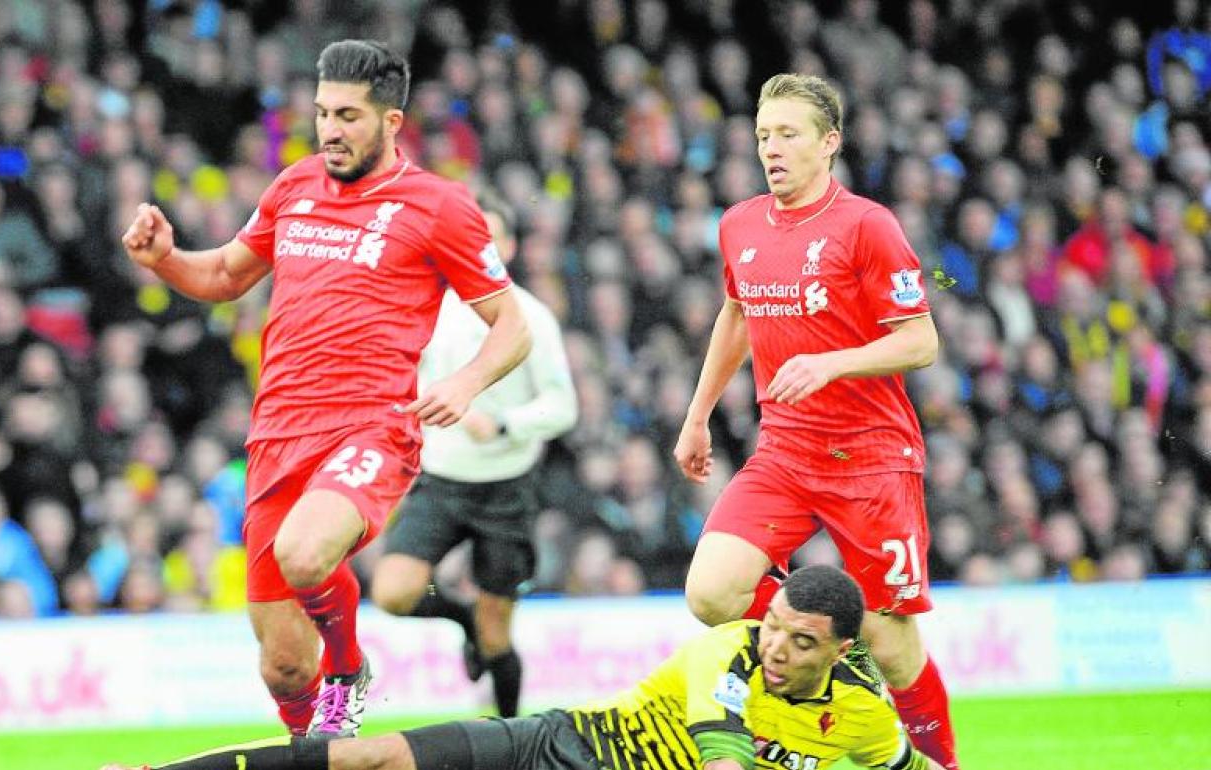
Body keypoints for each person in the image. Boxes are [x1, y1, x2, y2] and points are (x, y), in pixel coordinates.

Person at [120, 40, 532, 739]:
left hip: (370, 428)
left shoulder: (441, 207)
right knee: (282, 668)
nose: (330, 130)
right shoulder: (294, 187)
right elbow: (223, 276)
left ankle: (348, 669)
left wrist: (464, 383)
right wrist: (164, 259)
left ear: (393, 121)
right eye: (321, 114)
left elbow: (512, 326)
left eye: (348, 115)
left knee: (307, 553)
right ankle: (317, 742)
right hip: (277, 434)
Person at [672, 73, 959, 769]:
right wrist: (698, 414)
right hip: (786, 450)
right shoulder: (738, 223)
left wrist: (833, 363)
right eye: (764, 135)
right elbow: (737, 313)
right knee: (710, 592)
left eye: (788, 134)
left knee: (894, 649)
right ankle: (832, 639)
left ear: (829, 143)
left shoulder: (867, 225)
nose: (771, 148)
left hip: (871, 455)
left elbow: (920, 340)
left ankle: (942, 764)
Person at [100, 565, 945, 770]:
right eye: (779, 628)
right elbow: (720, 752)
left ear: (843, 650)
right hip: (568, 745)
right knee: (374, 757)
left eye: (803, 643)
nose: (779, 648)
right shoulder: (730, 648)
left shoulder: (866, 716)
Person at [371, 187, 578, 718]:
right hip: (442, 478)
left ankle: (510, 736)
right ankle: (457, 615)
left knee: (497, 636)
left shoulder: (531, 318)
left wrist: (506, 423)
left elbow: (563, 406)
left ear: (506, 248)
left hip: (507, 485)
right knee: (392, 592)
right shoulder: (431, 311)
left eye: (489, 237)